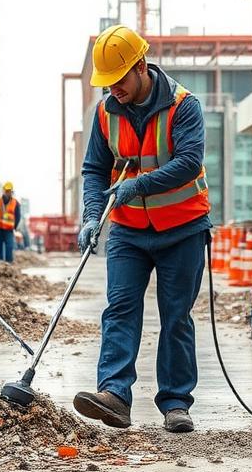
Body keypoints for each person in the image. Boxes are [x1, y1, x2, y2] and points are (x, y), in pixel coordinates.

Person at [73, 24, 211, 434]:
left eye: (118, 80)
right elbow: (95, 169)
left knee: (176, 316)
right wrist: (91, 215)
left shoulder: (185, 106)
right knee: (120, 309)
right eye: (107, 82)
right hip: (129, 232)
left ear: (140, 67)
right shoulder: (104, 113)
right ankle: (114, 395)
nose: (112, 88)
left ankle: (175, 403)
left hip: (183, 228)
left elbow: (188, 162)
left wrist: (136, 185)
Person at [0, 182, 21, 263]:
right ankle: (0, 262)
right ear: (3, 190)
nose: (7, 193)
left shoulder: (15, 202)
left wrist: (14, 227)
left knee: (9, 246)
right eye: (6, 191)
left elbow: (18, 216)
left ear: (12, 192)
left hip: (9, 229)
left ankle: (9, 263)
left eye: (9, 191)